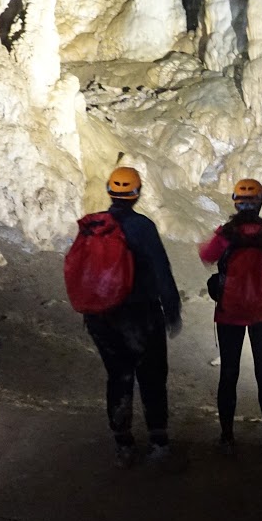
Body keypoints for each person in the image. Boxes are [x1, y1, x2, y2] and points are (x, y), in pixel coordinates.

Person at [83, 166, 183, 467]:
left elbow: (81, 271)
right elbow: (161, 271)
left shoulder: (93, 226)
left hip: (102, 316)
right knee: (152, 377)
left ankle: (124, 445)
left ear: (109, 191)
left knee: (119, 376)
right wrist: (172, 310)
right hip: (141, 315)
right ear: (137, 194)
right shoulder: (142, 227)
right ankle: (158, 443)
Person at [198, 178, 262, 455]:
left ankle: (227, 439)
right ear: (261, 202)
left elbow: (206, 255)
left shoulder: (225, 235)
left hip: (230, 314)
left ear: (236, 204)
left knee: (229, 374)